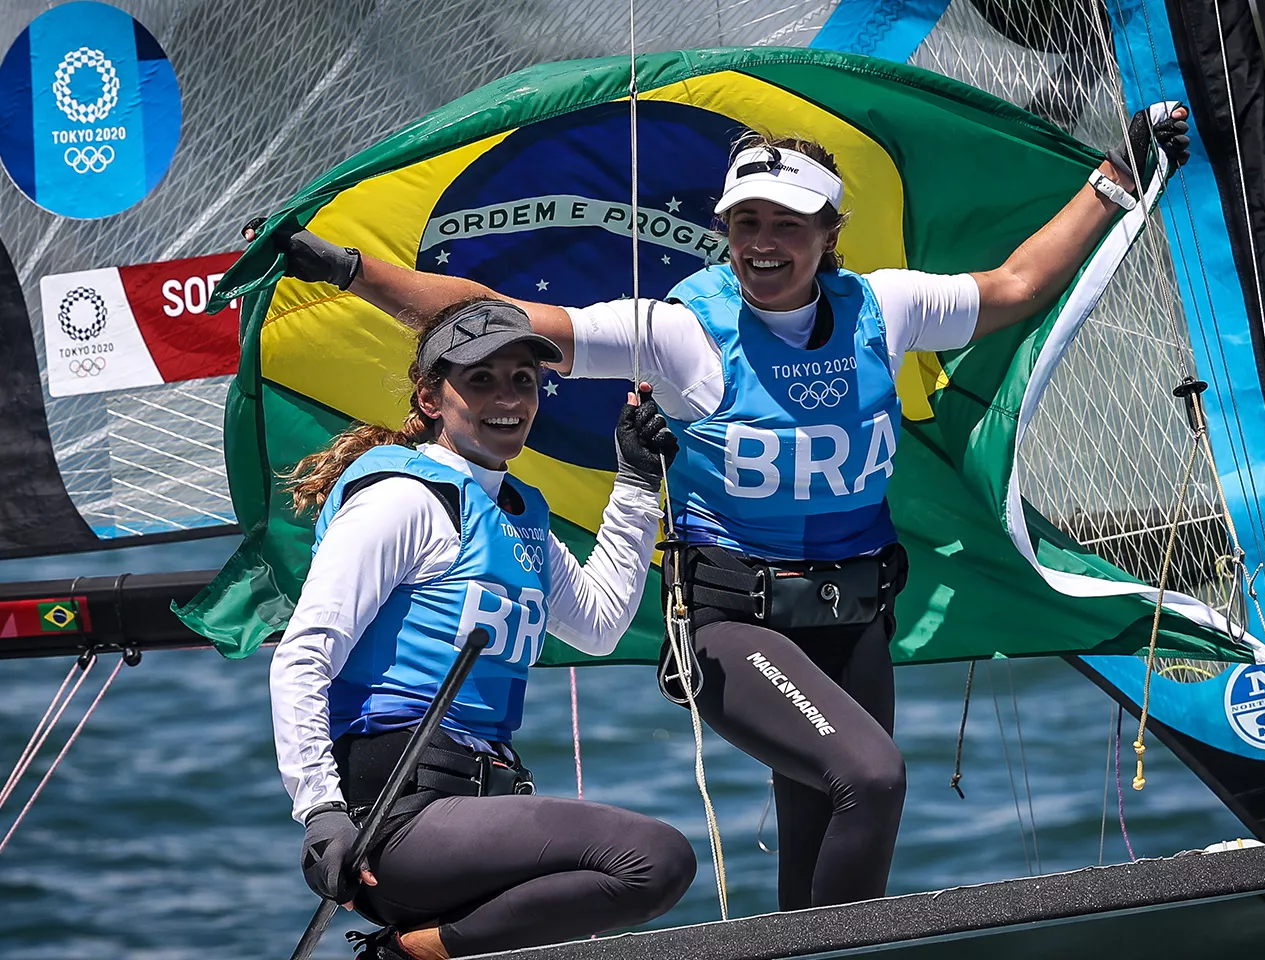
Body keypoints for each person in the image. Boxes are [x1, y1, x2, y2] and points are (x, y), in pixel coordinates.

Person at [261, 104, 1191, 912]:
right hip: (734, 626)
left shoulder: (887, 310)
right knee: (873, 777)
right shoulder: (681, 332)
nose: (761, 243)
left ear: (829, 232)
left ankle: (807, 947)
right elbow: (495, 314)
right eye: (745, 221)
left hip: (854, 616)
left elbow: (1019, 289)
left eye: (786, 223)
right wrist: (344, 270)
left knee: (827, 828)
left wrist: (1116, 176)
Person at [269, 297, 695, 960]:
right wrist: (321, 816)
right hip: (392, 817)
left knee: (647, 865)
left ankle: (426, 949)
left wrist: (636, 480)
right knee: (651, 858)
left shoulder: (517, 512)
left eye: (523, 380)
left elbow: (601, 623)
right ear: (431, 397)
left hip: (472, 804)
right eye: (481, 379)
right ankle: (408, 956)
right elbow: (303, 658)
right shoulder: (402, 501)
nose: (508, 398)